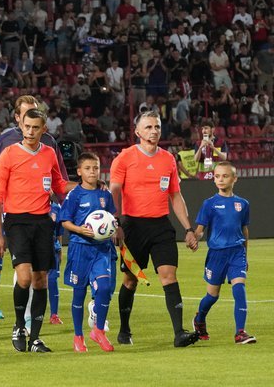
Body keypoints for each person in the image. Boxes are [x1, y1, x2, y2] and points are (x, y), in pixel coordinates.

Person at [111, 111, 200, 348]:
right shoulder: (124, 158)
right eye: (148, 127)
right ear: (138, 132)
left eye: (157, 127)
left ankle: (179, 333)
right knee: (130, 280)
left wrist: (189, 229)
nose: (153, 131)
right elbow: (115, 192)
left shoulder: (168, 159)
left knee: (169, 276)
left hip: (160, 226)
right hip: (132, 226)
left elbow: (175, 196)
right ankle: (124, 329)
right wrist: (117, 223)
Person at [0, 108, 71, 353]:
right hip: (16, 222)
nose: (31, 131)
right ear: (21, 126)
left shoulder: (49, 154)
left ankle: (35, 337)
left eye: (36, 127)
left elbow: (59, 185)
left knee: (41, 280)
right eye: (27, 126)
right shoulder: (9, 154)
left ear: (43, 129)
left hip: (42, 222)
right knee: (24, 278)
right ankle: (18, 326)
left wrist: (86, 187)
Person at [58, 153, 117, 352]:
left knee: (104, 287)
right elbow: (64, 221)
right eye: (88, 168)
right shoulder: (74, 194)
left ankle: (98, 330)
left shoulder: (105, 195)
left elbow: (111, 217)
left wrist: (112, 227)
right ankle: (78, 336)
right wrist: (79, 229)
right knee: (79, 294)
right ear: (79, 172)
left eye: (95, 168)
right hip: (79, 249)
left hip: (101, 249)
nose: (92, 171)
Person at [192, 162, 255, 345]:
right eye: (217, 176)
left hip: (237, 253)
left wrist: (246, 254)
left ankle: (240, 332)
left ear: (234, 179)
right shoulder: (209, 204)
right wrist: (194, 237)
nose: (220, 179)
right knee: (212, 296)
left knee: (239, 289)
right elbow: (200, 229)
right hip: (216, 255)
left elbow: (244, 230)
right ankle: (200, 319)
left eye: (225, 176)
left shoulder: (243, 204)